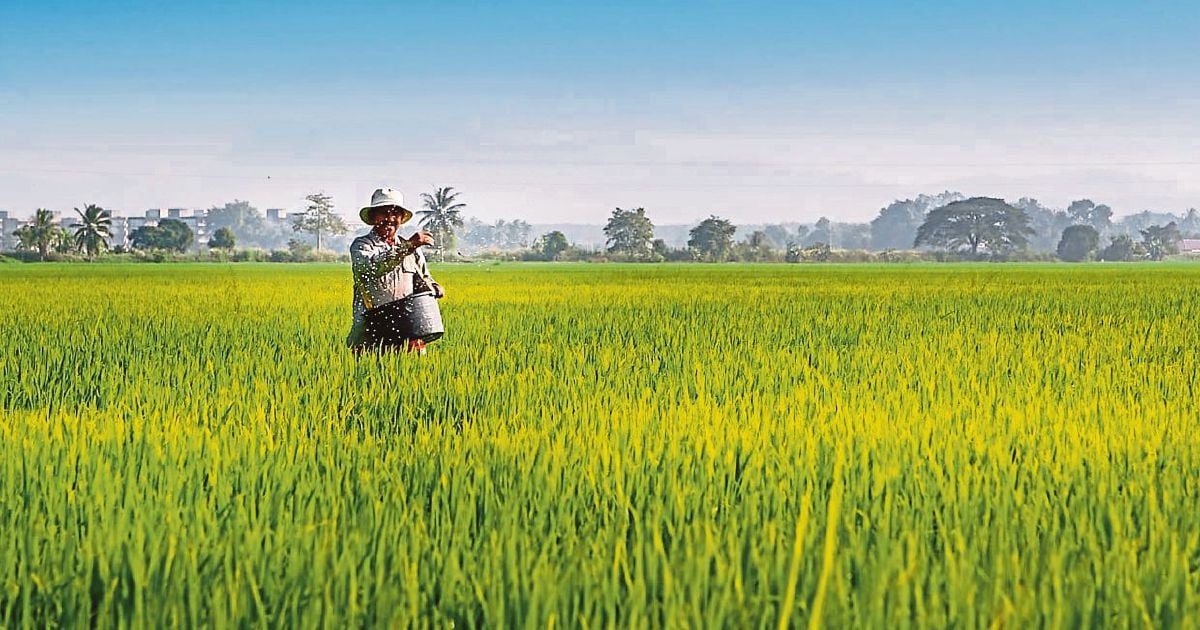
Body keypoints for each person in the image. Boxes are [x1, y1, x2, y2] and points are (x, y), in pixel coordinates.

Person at [346, 187, 443, 354]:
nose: (389, 219)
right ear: (373, 217)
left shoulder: (412, 249)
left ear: (401, 218)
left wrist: (434, 287)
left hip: (409, 325)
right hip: (372, 329)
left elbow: (423, 278)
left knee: (412, 376)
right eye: (383, 213)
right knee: (371, 377)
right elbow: (373, 267)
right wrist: (407, 247)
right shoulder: (362, 246)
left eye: (395, 214)